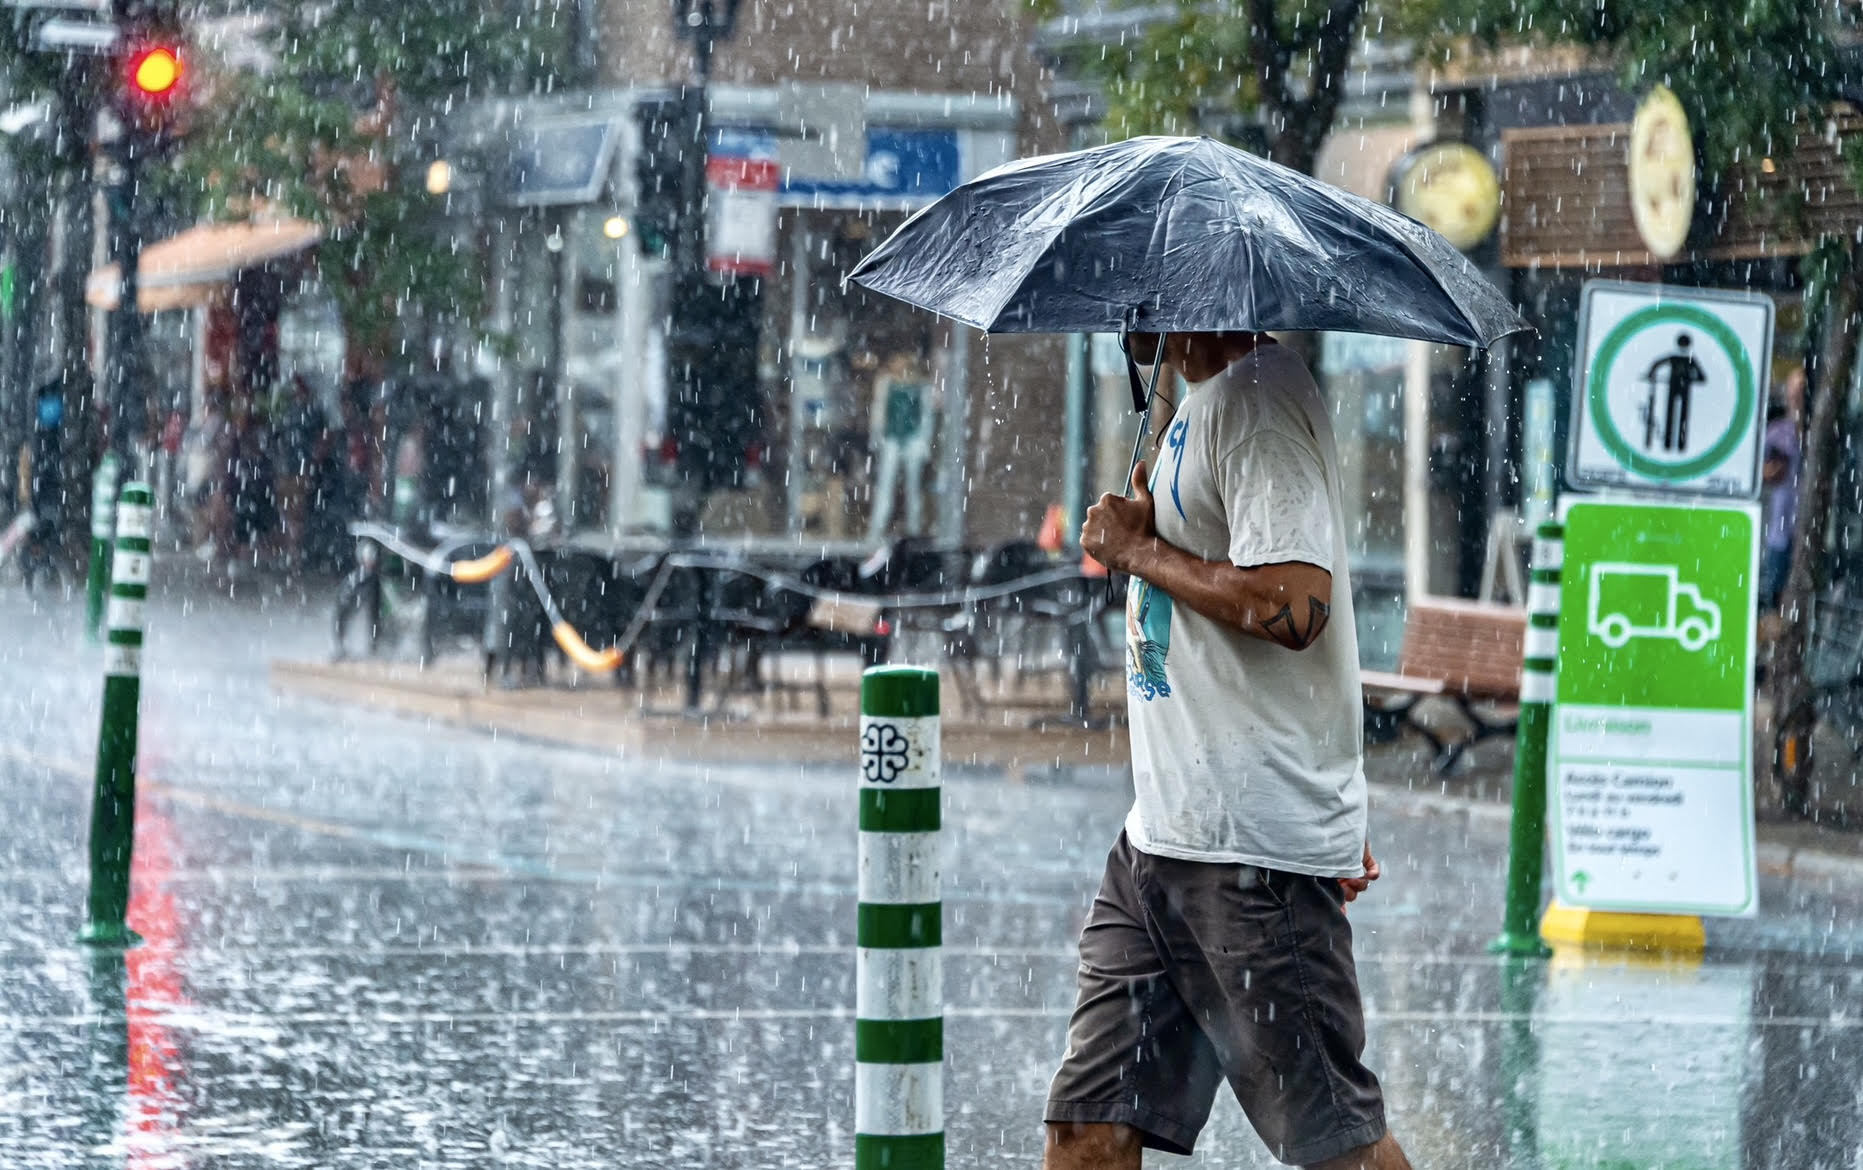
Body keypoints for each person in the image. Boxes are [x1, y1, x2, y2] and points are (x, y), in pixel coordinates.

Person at [1058, 330, 1406, 1170]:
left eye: (1135, 289)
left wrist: (1138, 550)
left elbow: (1296, 603)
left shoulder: (1258, 403)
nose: (1122, 318)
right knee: (1087, 1133)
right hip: (1159, 843)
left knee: (1336, 1148)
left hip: (1246, 858)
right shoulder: (1197, 403)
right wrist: (1150, 532)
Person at [865, 348, 936, 542]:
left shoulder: (921, 386)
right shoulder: (887, 383)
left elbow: (926, 416)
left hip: (912, 439)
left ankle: (914, 530)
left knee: (913, 488)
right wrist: (877, 437)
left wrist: (923, 442)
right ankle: (877, 531)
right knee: (886, 486)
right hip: (891, 439)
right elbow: (879, 411)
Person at [1761, 367, 1804, 611]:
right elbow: (1765, 474)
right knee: (1775, 593)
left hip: (1808, 528)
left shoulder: (1821, 433)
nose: (1797, 396)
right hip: (1781, 525)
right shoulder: (1777, 432)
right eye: (1794, 390)